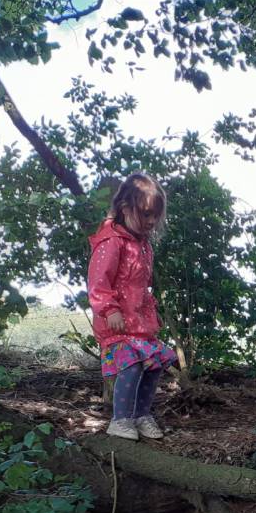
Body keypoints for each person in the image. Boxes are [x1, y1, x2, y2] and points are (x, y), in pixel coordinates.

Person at [88, 172, 177, 440]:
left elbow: (141, 285)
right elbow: (98, 280)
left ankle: (140, 414)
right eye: (146, 214)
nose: (151, 221)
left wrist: (151, 311)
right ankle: (121, 419)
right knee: (132, 364)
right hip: (116, 322)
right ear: (126, 209)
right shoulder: (111, 241)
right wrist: (110, 309)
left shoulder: (143, 246)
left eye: (155, 216)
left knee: (154, 364)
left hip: (138, 322)